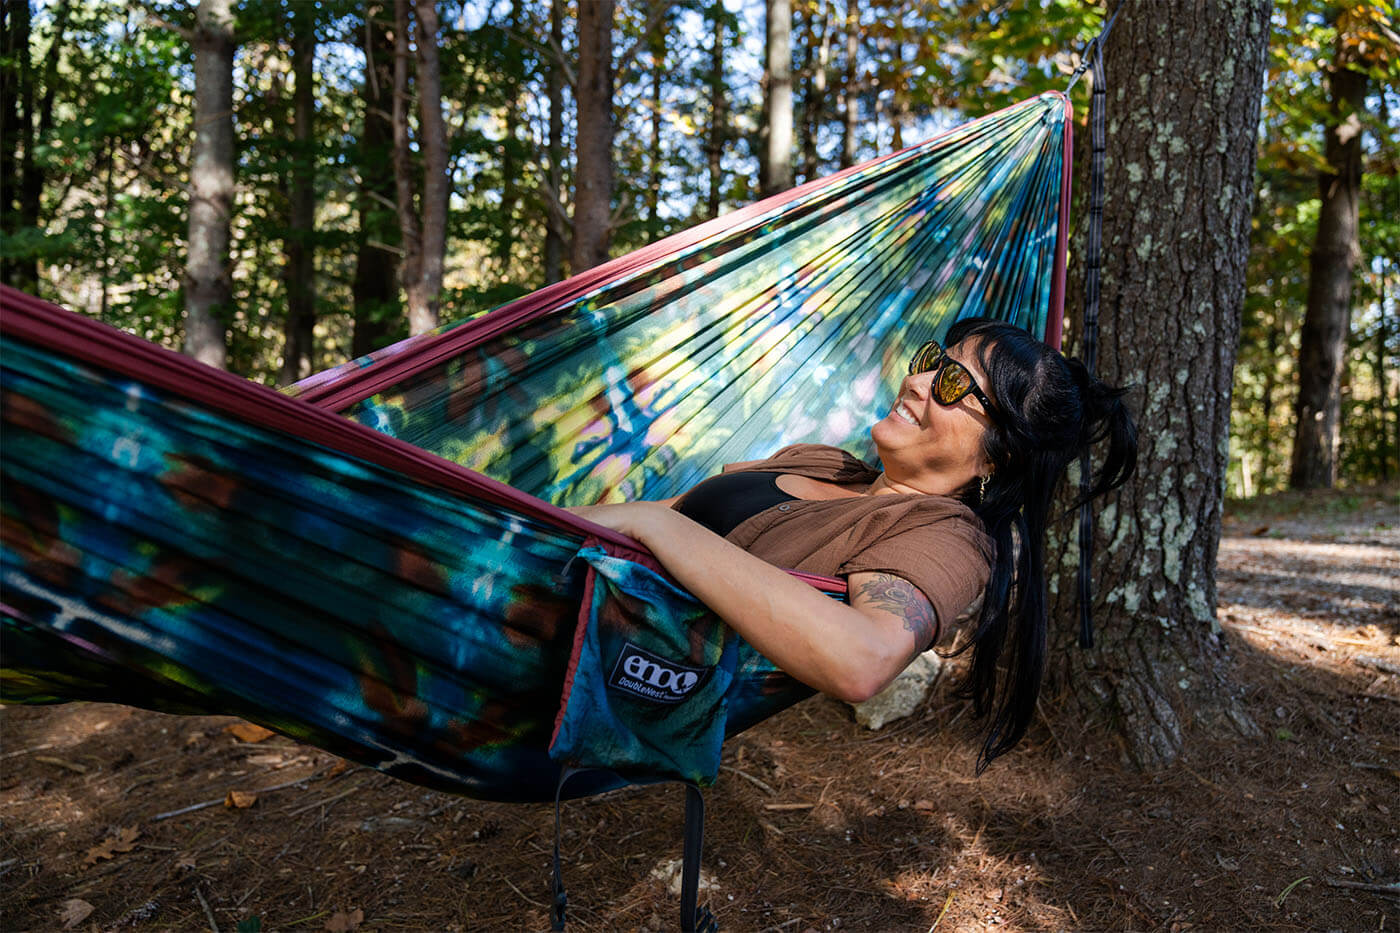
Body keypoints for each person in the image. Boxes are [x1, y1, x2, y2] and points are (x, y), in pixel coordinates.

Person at [569, 318, 1138, 769]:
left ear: (997, 455)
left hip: (594, 670)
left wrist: (665, 530)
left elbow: (862, 660)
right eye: (932, 362)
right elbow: (653, 516)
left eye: (953, 384)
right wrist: (530, 520)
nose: (916, 381)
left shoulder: (943, 537)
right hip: (554, 580)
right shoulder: (826, 463)